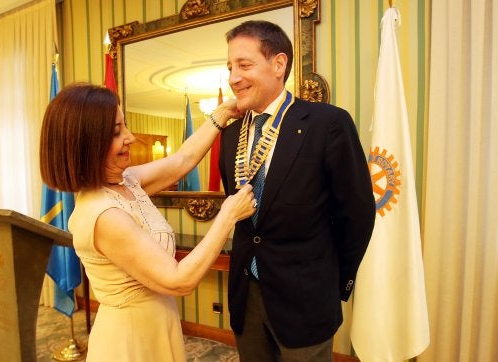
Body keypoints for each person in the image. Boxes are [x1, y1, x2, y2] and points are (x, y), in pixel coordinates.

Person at [39, 83, 255, 362]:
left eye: (124, 125)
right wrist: (228, 216)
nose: (130, 137)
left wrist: (221, 114)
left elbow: (182, 160)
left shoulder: (125, 180)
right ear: (88, 143)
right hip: (129, 340)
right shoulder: (104, 215)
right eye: (117, 132)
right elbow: (179, 280)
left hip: (155, 324)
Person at [218, 20, 376, 361]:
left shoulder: (327, 124)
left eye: (244, 65)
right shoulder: (230, 137)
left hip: (306, 299)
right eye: (230, 67)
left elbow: (358, 215)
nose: (233, 77)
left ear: (279, 64)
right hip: (247, 298)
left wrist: (329, 283)